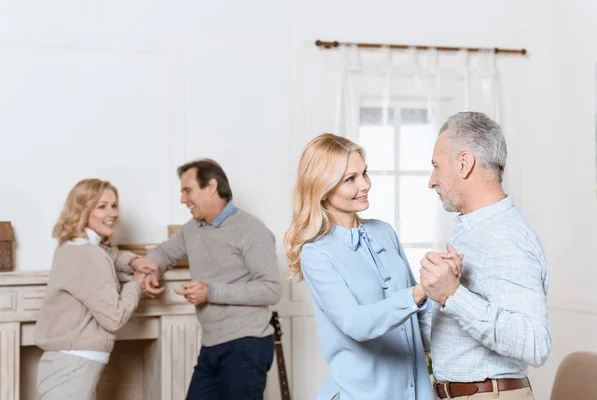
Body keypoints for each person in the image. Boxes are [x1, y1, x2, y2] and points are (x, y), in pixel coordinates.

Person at [283, 133, 461, 400]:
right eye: (350, 179)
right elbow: (356, 323)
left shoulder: (384, 232)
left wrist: (444, 281)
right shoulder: (316, 253)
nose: (365, 184)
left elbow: (418, 313)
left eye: (364, 173)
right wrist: (421, 290)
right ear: (323, 186)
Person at [419, 112, 551, 399]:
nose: (431, 181)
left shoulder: (505, 236)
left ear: (464, 164)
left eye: (436, 166)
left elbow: (535, 344)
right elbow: (451, 336)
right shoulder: (472, 231)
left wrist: (453, 295)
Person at [140, 159, 282, 400]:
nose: (183, 200)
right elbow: (163, 253)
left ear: (211, 186)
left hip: (247, 345)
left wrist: (210, 292)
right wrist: (150, 270)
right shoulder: (193, 229)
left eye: (187, 191)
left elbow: (271, 289)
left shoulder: (251, 229)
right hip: (212, 345)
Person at [35, 179, 154, 400]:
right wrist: (137, 281)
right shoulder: (88, 255)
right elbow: (114, 318)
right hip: (73, 364)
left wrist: (134, 261)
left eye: (114, 205)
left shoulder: (74, 247)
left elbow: (110, 255)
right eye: (102, 206)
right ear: (82, 210)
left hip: (68, 362)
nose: (112, 212)